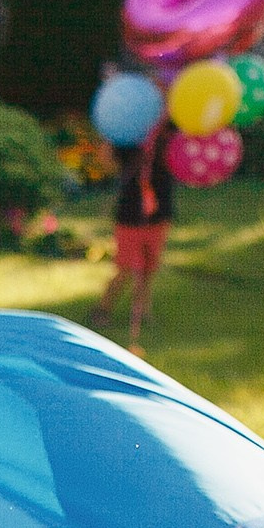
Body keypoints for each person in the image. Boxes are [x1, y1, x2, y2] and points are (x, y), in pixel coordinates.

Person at [92, 123, 174, 354]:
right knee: (125, 267)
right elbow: (107, 163)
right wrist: (108, 135)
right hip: (130, 214)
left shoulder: (171, 130)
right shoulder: (128, 129)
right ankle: (102, 309)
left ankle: (142, 310)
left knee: (150, 266)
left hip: (160, 210)